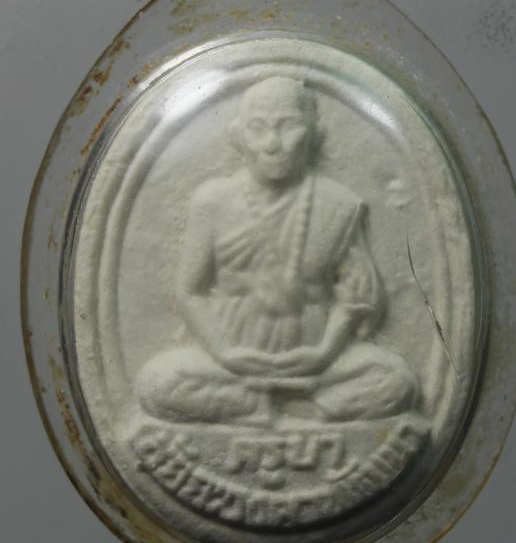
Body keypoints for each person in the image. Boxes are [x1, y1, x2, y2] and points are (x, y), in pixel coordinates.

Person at [137, 76, 417, 424]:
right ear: (237, 136)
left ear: (314, 135)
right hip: (230, 363)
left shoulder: (337, 204)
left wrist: (323, 353)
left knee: (396, 381)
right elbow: (189, 291)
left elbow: (355, 298)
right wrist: (225, 353)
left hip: (316, 364)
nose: (272, 144)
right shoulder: (213, 202)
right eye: (258, 128)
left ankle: (296, 409)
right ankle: (264, 405)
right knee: (157, 383)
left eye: (288, 127)